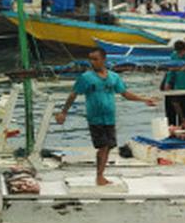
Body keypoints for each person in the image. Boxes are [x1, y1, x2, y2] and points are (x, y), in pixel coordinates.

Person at [55, 49, 156, 186]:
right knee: (103, 146)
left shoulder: (114, 77)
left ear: (103, 59)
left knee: (109, 146)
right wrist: (64, 112)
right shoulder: (86, 78)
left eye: (95, 59)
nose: (92, 62)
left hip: (109, 118)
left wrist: (144, 99)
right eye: (90, 59)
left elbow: (125, 93)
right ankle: (99, 176)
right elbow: (73, 94)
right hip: (95, 118)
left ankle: (101, 174)